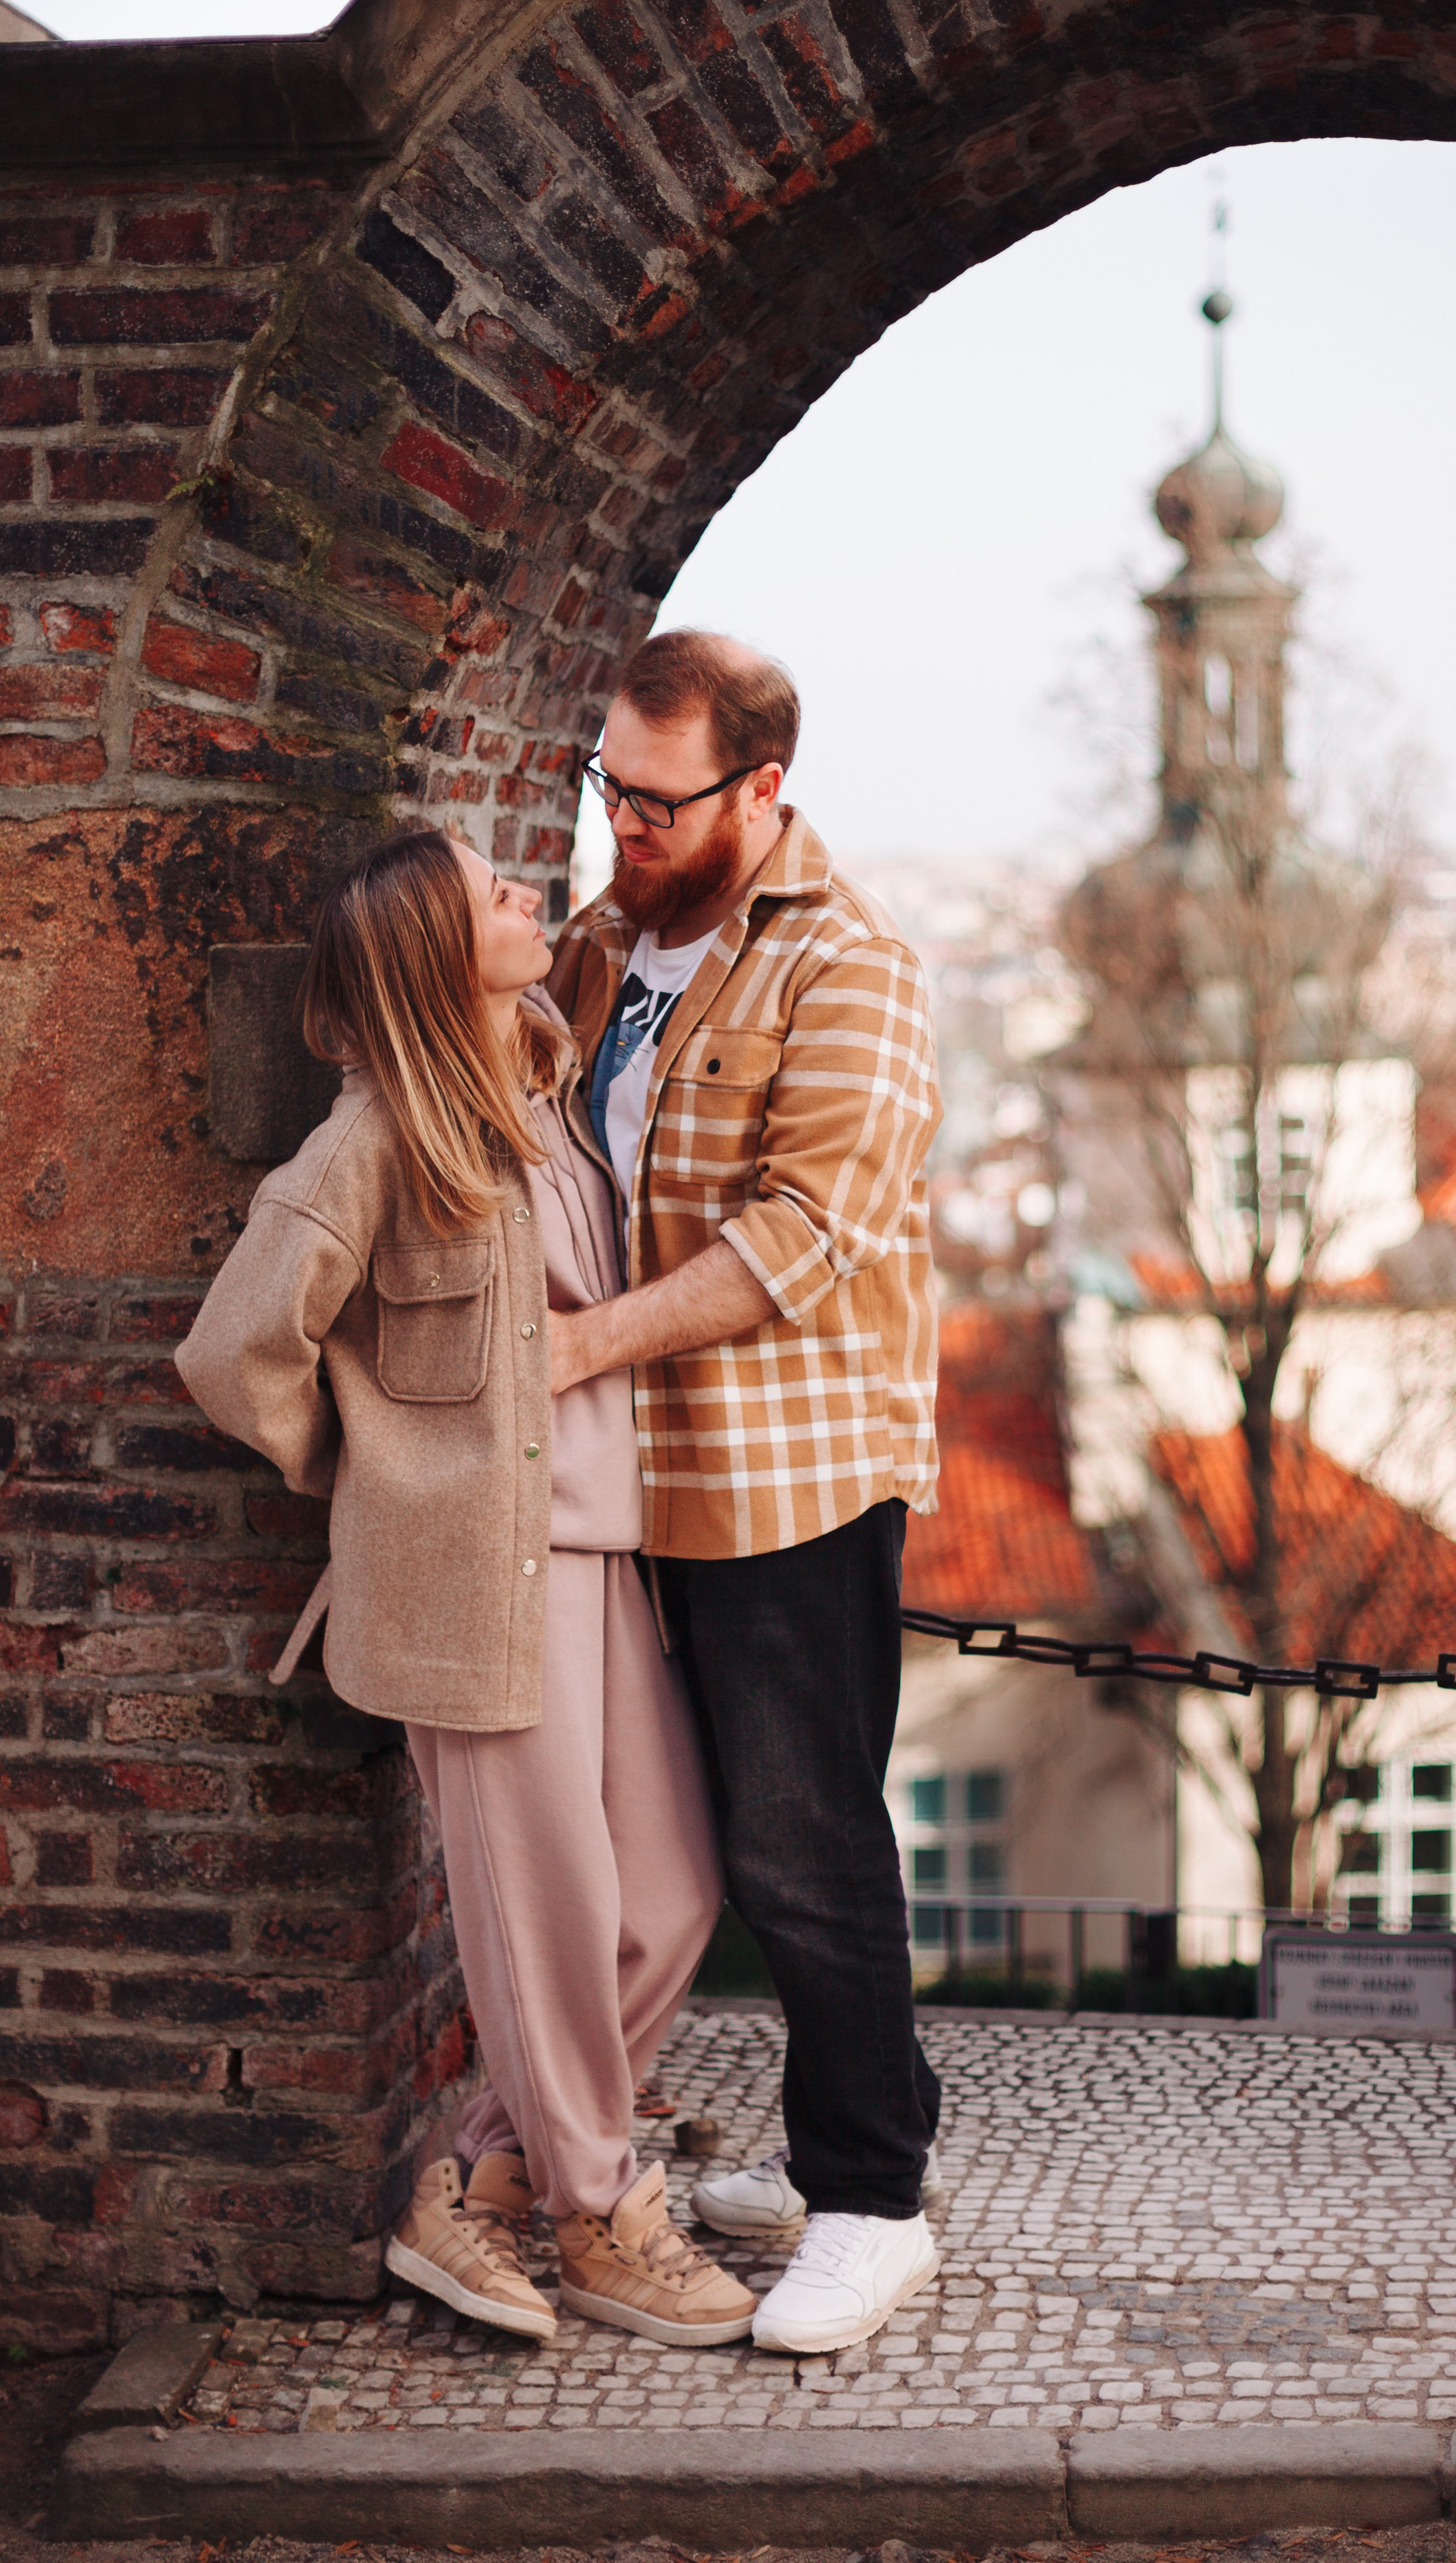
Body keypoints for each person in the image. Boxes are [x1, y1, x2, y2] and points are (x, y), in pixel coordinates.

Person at [174, 827, 755, 2350]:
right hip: (468, 1590)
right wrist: (381, 1472)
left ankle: (482, 2177)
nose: (519, 889)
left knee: (673, 1897)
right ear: (435, 948)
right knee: (554, 1914)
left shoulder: (546, 1103)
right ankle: (597, 2214)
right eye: (484, 886)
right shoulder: (373, 1140)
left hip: (599, 1553)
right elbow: (234, 1353)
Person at [545, 629, 944, 2355]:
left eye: (654, 798)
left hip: (786, 1481)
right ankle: (831, 2144)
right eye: (605, 789)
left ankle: (871, 2206)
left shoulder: (849, 970)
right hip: (629, 1486)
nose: (620, 824)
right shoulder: (604, 946)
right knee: (684, 1854)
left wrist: (569, 1354)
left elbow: (794, 1240)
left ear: (760, 790)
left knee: (805, 1848)